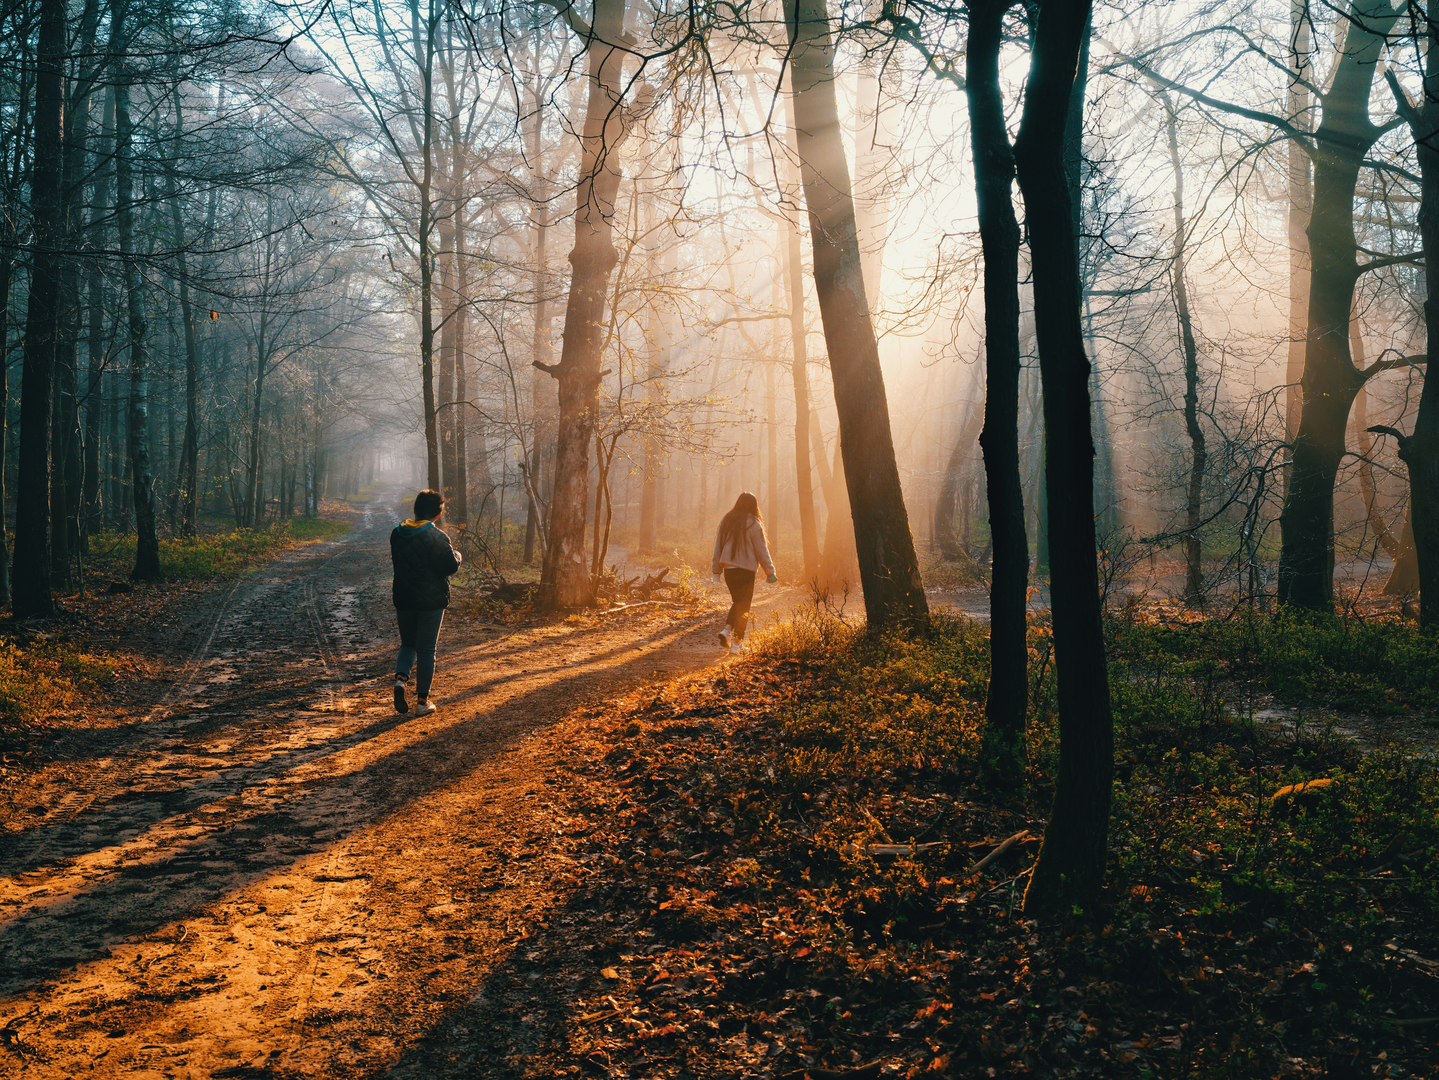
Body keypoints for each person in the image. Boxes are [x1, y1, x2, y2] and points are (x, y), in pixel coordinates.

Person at [391, 488, 462, 715]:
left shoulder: (397, 534)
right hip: (431, 602)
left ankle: (401, 680)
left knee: (408, 644)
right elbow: (449, 566)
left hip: (404, 599)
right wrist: (457, 556)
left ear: (415, 510)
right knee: (426, 649)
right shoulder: (437, 537)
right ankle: (422, 702)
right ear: (438, 515)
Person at [711, 492, 777, 654]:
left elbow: (718, 546)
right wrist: (770, 572)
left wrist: (716, 572)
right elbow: (762, 549)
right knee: (744, 606)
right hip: (746, 571)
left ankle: (727, 631)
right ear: (754, 506)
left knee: (738, 603)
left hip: (729, 571)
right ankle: (736, 644)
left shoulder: (727, 520)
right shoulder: (754, 522)